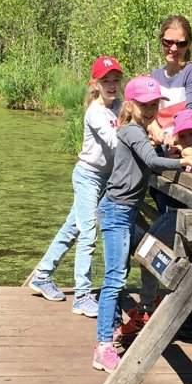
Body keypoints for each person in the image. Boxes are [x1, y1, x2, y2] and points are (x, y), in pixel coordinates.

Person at [92, 77, 192, 372]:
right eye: (145, 105)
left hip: (125, 213)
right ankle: (103, 346)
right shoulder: (131, 130)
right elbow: (152, 163)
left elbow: (150, 158)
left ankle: (141, 312)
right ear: (131, 104)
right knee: (115, 278)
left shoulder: (138, 131)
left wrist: (173, 154)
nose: (151, 110)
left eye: (155, 105)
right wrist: (181, 163)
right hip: (116, 212)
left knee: (150, 255)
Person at [27, 56, 124, 317]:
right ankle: (82, 296)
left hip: (106, 178)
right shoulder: (95, 112)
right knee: (88, 233)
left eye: (116, 80)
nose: (112, 85)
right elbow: (115, 142)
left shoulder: (120, 107)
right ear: (95, 84)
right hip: (88, 177)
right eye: (106, 81)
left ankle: (42, 275)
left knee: (72, 228)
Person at [123, 108, 192, 342]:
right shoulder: (175, 157)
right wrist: (165, 153)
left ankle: (183, 311)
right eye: (183, 136)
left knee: (154, 251)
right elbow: (158, 164)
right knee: (150, 250)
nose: (187, 140)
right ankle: (152, 304)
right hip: (179, 219)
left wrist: (189, 150)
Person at [148, 15, 192, 147]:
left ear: (188, 44)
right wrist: (154, 128)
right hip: (161, 147)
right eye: (168, 42)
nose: (173, 48)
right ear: (161, 41)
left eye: (180, 43)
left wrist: (174, 136)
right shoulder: (154, 76)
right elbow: (146, 112)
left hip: (186, 145)